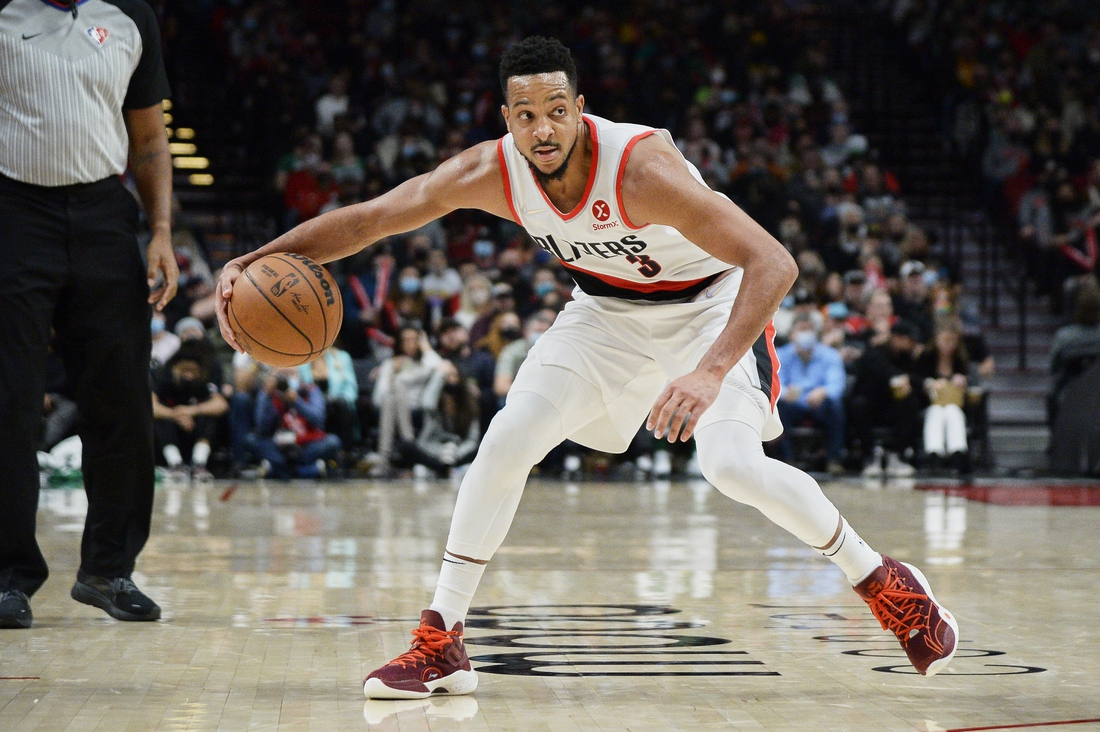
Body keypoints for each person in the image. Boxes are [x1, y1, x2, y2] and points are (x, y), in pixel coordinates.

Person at [215, 37, 958, 695]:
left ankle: (881, 579)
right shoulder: (491, 171)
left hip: (710, 305)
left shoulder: (644, 170)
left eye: (556, 111)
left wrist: (707, 371)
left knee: (730, 467)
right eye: (525, 114)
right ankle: (442, 640)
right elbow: (376, 217)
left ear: (580, 109)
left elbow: (774, 261)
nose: (542, 129)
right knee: (506, 441)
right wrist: (258, 259)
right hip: (605, 315)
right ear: (507, 118)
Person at [0, 0, 175, 628]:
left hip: (105, 214)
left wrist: (160, 233)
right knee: (10, 400)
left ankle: (108, 569)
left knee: (123, 400)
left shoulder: (132, 17)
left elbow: (150, 140)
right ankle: (7, 576)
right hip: (14, 210)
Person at [774, 313, 847, 473]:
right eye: (801, 330)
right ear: (792, 334)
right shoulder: (781, 355)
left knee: (835, 406)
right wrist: (785, 392)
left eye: (809, 330)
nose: (805, 334)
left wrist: (824, 391)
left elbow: (837, 384)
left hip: (819, 404)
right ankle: (787, 460)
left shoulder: (830, 355)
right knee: (778, 407)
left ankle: (833, 459)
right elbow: (776, 383)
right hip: (792, 405)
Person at [152, 342, 229, 481]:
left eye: (192, 371)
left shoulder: (203, 383)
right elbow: (150, 406)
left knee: (209, 417)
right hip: (169, 436)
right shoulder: (163, 380)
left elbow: (221, 404)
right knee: (160, 419)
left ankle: (199, 464)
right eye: (184, 370)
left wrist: (190, 411)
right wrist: (175, 415)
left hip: (195, 433)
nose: (188, 375)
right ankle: (175, 464)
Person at [245, 368, 341, 479]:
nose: (286, 379)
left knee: (332, 441)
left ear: (298, 375)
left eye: (290, 374)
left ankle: (277, 470)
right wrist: (265, 395)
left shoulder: (310, 390)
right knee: (251, 439)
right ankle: (311, 470)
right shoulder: (269, 394)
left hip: (306, 444)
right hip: (278, 445)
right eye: (281, 375)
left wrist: (296, 401)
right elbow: (261, 427)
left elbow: (319, 420)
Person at [917, 324, 971, 471]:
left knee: (952, 411)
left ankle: (958, 452)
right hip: (930, 404)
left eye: (952, 340)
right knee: (936, 412)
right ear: (936, 340)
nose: (948, 345)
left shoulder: (961, 360)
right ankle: (934, 454)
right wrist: (929, 383)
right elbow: (916, 380)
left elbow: (970, 382)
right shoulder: (926, 357)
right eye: (945, 340)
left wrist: (963, 380)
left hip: (954, 404)